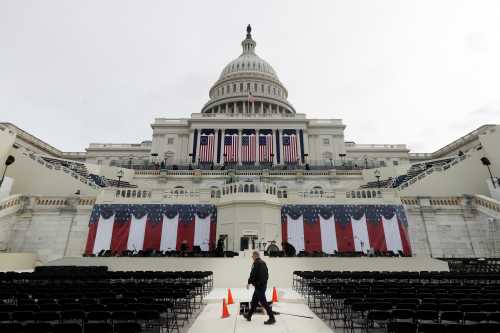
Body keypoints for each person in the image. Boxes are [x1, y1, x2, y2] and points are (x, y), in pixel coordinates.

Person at [244, 251, 276, 325]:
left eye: (252, 256)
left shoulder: (256, 263)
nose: (252, 257)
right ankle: (249, 316)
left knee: (263, 302)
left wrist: (249, 282)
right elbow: (267, 275)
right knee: (254, 301)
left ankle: (272, 318)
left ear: (255, 256)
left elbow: (252, 274)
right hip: (262, 285)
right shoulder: (263, 262)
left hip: (259, 286)